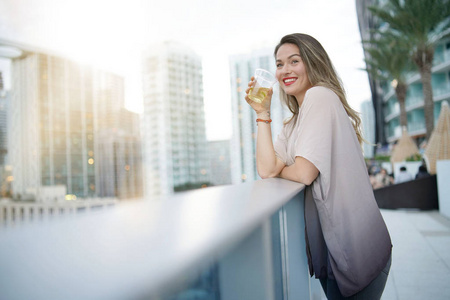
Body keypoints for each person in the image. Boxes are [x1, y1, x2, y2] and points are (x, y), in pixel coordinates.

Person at [245, 33, 392, 299]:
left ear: (312, 63)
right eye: (279, 64)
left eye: (294, 61)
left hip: (356, 250)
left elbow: (304, 173)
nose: (285, 70)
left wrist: (284, 169)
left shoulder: (320, 97)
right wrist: (262, 114)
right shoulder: (294, 122)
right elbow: (266, 170)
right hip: (333, 253)